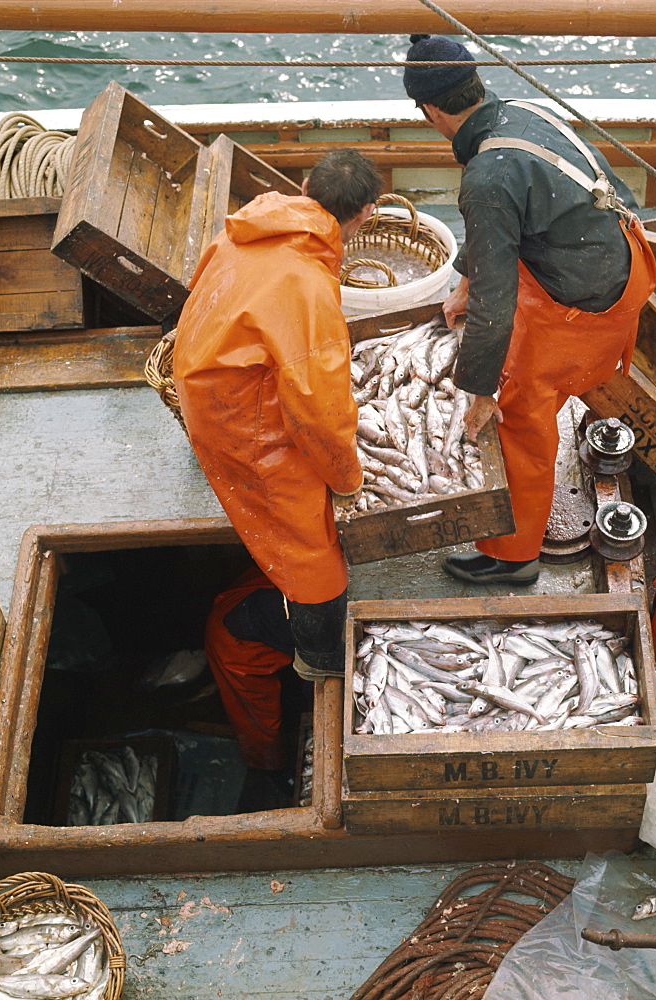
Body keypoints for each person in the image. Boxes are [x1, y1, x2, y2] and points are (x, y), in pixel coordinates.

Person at [403, 34, 656, 585]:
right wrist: (467, 280)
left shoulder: (488, 174)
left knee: (518, 414)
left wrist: (480, 391)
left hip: (591, 305)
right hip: (626, 258)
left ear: (429, 110)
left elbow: (497, 302)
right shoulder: (522, 111)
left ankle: (516, 559)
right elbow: (503, 224)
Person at [173, 149, 382, 733]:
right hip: (241, 425)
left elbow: (200, 295)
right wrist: (346, 480)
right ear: (365, 215)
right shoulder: (308, 286)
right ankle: (318, 657)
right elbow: (319, 413)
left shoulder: (247, 227)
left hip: (204, 390)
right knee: (314, 551)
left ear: (306, 186)